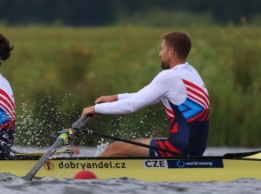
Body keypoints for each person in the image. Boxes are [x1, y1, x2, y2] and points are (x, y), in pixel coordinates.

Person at [81, 31, 210, 157]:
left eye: (162, 49)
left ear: (171, 52)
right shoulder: (191, 72)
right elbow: (143, 97)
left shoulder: (170, 76)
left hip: (181, 147)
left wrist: (95, 109)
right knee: (130, 148)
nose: (159, 54)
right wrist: (116, 98)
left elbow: (133, 105)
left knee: (114, 149)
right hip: (194, 147)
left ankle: (87, 170)